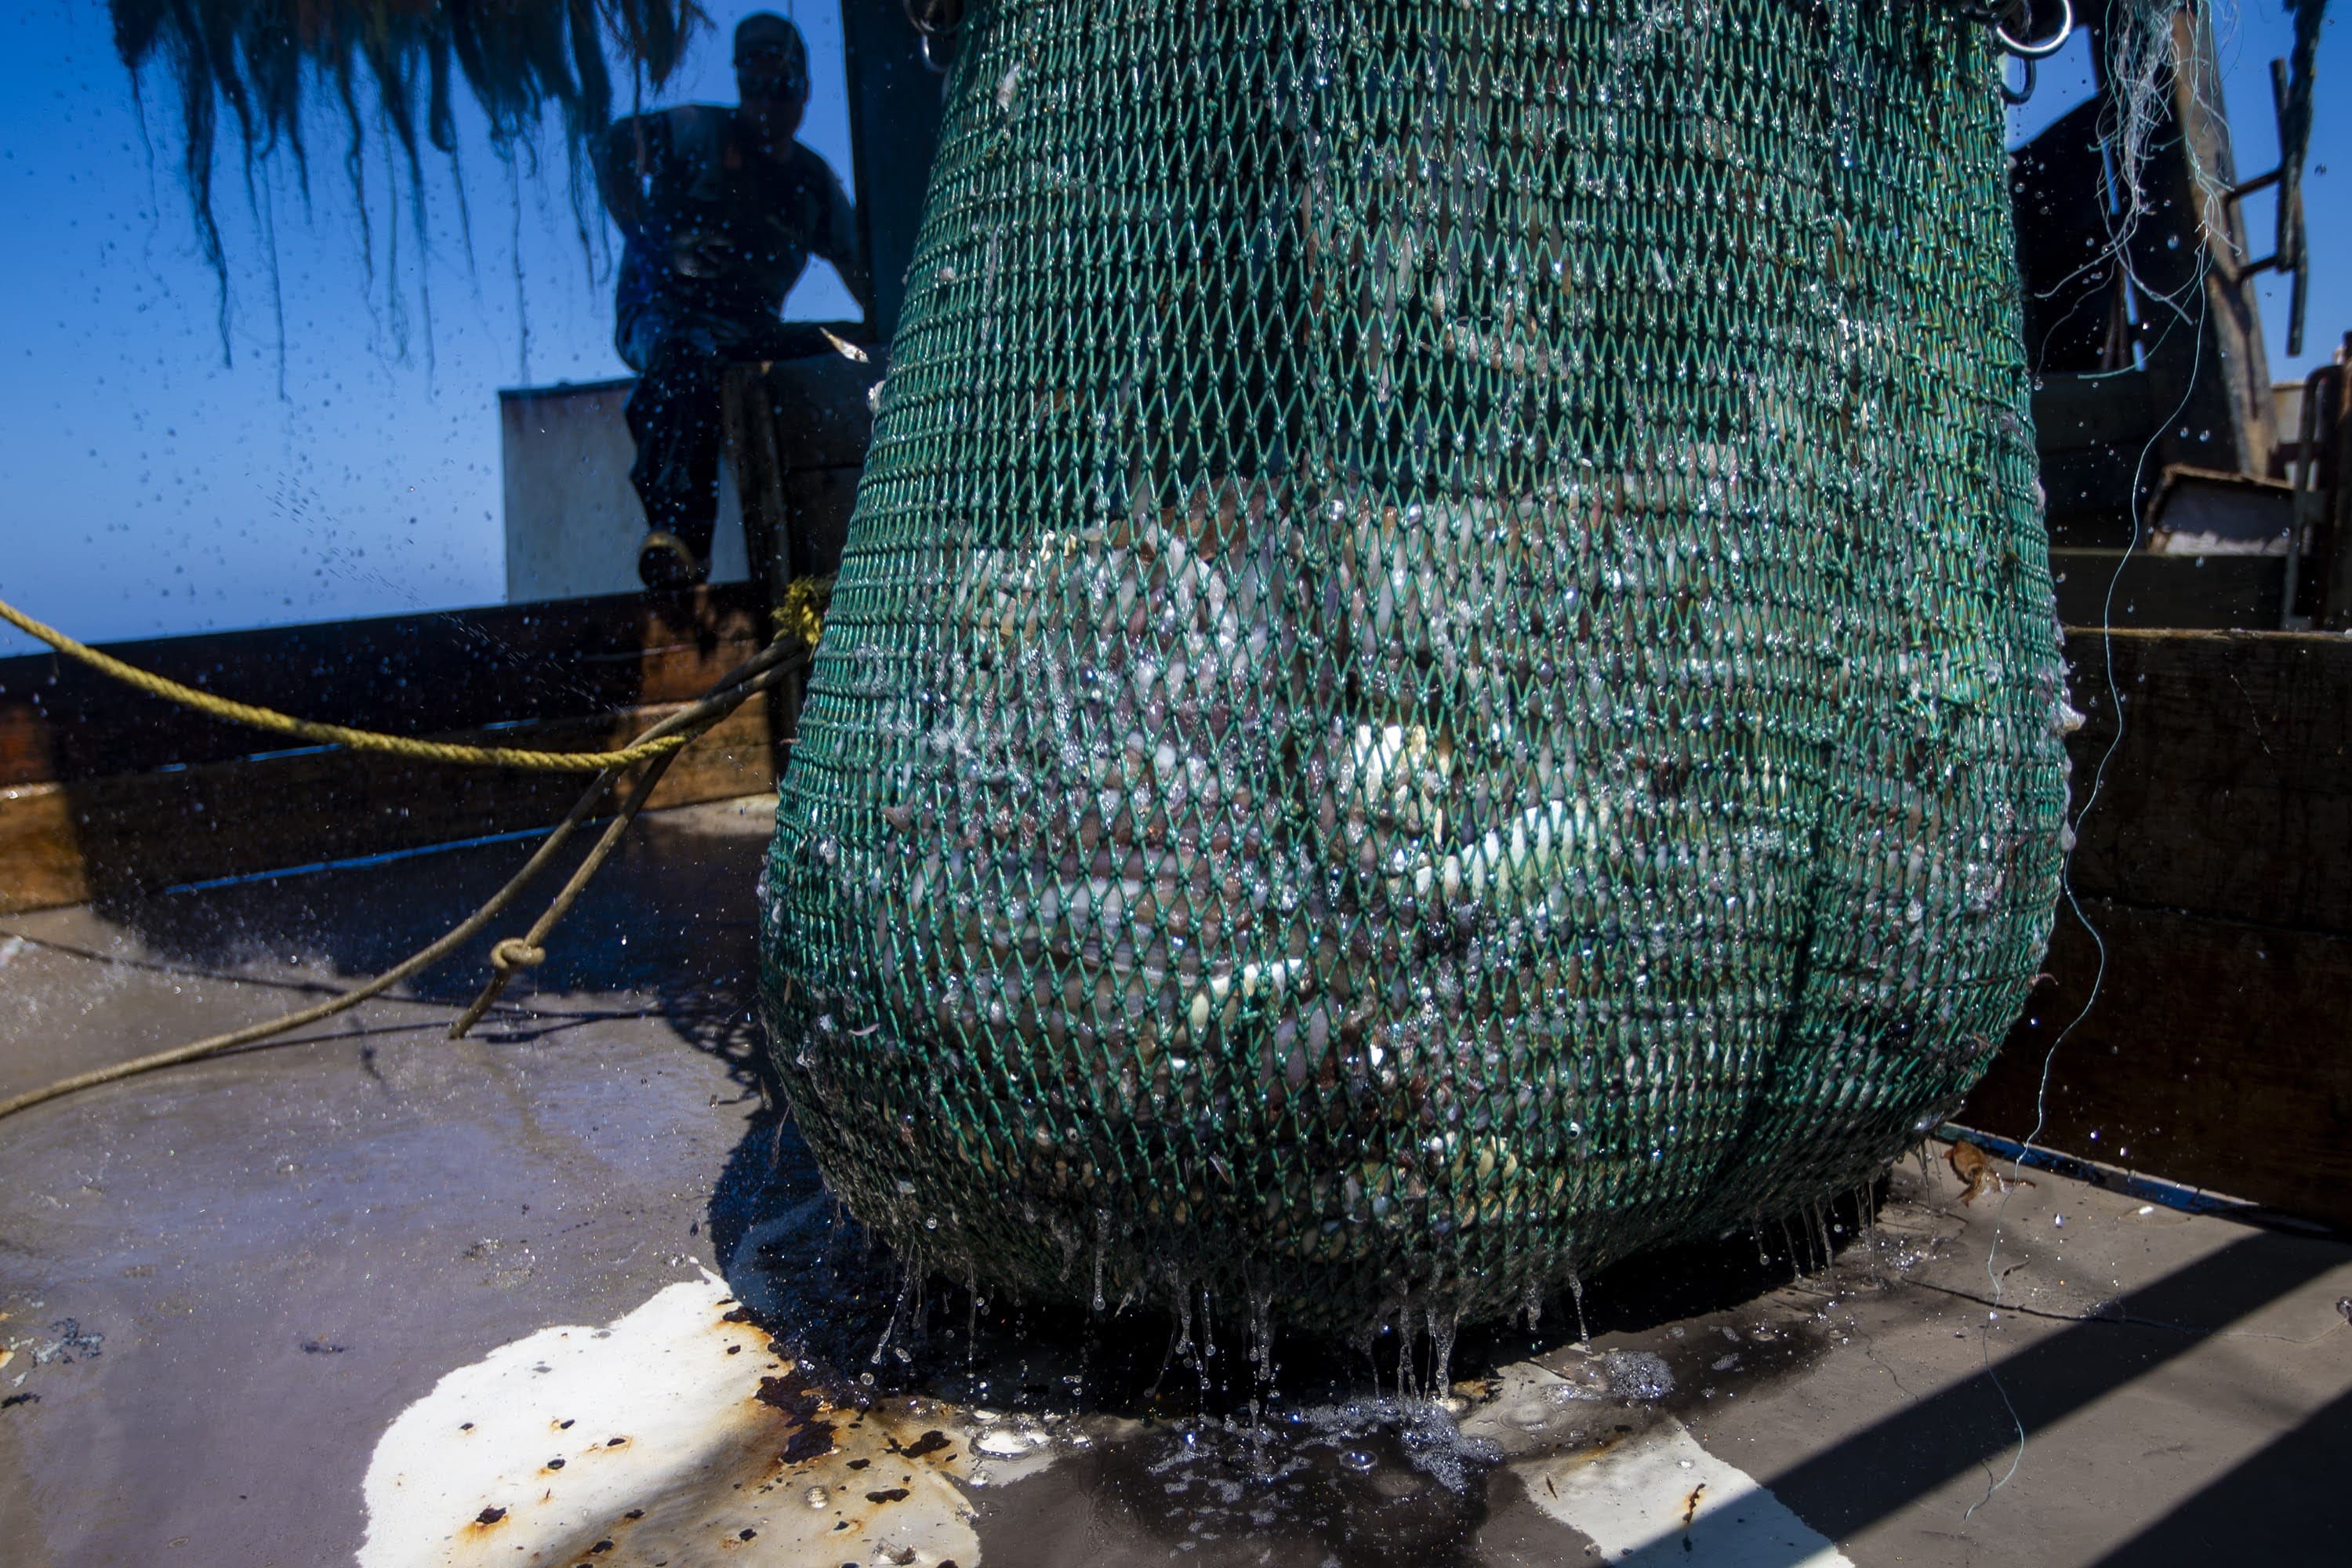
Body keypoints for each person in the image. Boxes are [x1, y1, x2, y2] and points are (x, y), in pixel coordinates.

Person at [597, 12, 873, 588]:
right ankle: (679, 538)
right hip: (665, 315)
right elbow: (618, 145)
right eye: (754, 86)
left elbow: (861, 269)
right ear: (740, 85)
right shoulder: (699, 131)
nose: (767, 103)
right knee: (684, 358)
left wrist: (881, 326)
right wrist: (639, 234)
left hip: (748, 331)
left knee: (855, 346)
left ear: (803, 91)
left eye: (781, 88)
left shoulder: (812, 185)